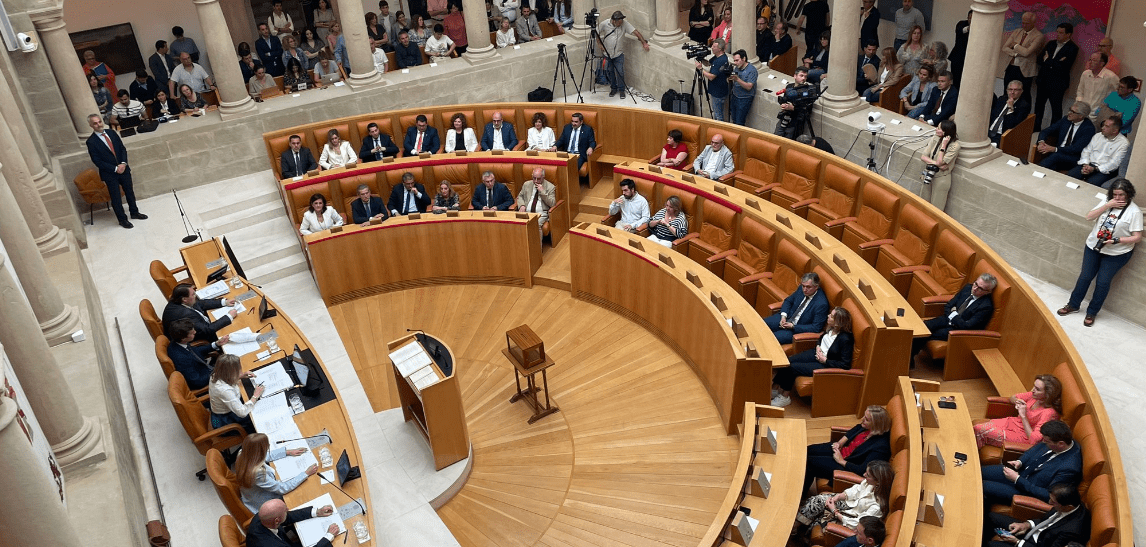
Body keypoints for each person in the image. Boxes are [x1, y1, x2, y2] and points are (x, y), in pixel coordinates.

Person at [1058, 179, 1141, 326]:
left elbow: (1137, 237)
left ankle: (1092, 313)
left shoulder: (1134, 212)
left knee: (1103, 282)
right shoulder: (1107, 201)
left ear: (1128, 194)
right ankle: (1073, 305)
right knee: (1085, 277)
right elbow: (1089, 217)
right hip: (1093, 247)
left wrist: (1117, 240)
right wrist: (1107, 205)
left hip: (1117, 253)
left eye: (1121, 195)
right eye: (1114, 194)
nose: (1117, 198)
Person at [981, 421, 1082, 506]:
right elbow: (1035, 449)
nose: (1043, 442)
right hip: (1019, 472)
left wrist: (1017, 479)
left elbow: (1049, 495)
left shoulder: (1069, 469)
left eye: (1046, 441)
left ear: (1061, 444)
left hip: (1025, 492)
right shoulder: (1060, 438)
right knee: (978, 473)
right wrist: (1020, 461)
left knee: (982, 486)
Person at [771, 306, 853, 407]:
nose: (828, 316)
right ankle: (776, 389)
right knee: (787, 361)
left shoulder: (845, 339)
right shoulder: (830, 328)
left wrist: (825, 360)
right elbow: (821, 338)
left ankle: (785, 397)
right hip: (816, 353)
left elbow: (845, 364)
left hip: (825, 364)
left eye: (831, 316)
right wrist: (818, 346)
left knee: (792, 368)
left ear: (837, 323)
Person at [911, 273, 996, 367]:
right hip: (947, 318)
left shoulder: (986, 306)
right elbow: (949, 305)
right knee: (923, 327)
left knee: (928, 334)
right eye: (976, 284)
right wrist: (954, 315)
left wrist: (954, 313)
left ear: (988, 292)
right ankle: (908, 357)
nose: (975, 288)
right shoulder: (968, 288)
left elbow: (967, 326)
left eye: (980, 288)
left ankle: (909, 361)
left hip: (957, 331)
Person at [794, 460, 892, 538]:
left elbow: (858, 523)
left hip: (851, 516)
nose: (864, 475)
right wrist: (838, 497)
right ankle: (797, 526)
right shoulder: (869, 483)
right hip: (850, 504)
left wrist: (834, 511)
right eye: (866, 472)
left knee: (819, 507)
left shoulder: (877, 507)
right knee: (818, 501)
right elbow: (856, 490)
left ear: (878, 482)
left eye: (868, 475)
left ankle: (797, 527)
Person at [804, 405, 892, 492]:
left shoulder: (881, 448)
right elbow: (855, 429)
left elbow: (862, 470)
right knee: (807, 450)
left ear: (876, 424)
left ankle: (801, 493)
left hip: (847, 463)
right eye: (864, 416)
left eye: (867, 419)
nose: (862, 419)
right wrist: (840, 443)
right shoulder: (867, 427)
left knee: (810, 462)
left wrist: (841, 461)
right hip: (841, 450)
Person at [85, 113, 146, 229]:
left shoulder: (112, 133)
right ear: (91, 125)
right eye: (95, 123)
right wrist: (115, 168)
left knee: (130, 192)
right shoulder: (91, 142)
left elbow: (122, 149)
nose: (98, 125)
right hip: (110, 174)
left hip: (124, 169)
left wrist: (123, 163)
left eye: (99, 122)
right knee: (116, 197)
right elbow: (97, 161)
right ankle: (122, 220)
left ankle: (134, 212)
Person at [982, 483, 1089, 547]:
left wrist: (1017, 542)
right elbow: (1046, 522)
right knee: (991, 517)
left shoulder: (1072, 532)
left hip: (1033, 544)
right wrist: (1026, 525)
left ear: (1068, 507)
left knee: (989, 545)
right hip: (1031, 532)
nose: (1049, 503)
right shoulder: (1071, 504)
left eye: (1053, 502)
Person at [235, 433, 317, 513]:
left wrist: (287, 452)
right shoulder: (257, 473)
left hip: (253, 493)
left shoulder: (242, 453)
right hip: (264, 501)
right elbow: (282, 488)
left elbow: (264, 455)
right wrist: (305, 474)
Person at [975, 375, 1063, 449]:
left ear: (1048, 394)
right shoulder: (1034, 396)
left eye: (1037, 389)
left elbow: (1034, 440)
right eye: (1034, 386)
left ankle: (974, 461)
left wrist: (1023, 416)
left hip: (1022, 437)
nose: (1032, 390)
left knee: (979, 430)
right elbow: (1012, 397)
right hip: (1011, 423)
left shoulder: (1049, 413)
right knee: (976, 429)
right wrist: (1017, 401)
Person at [1034, 23, 1078, 131]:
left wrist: (1048, 60)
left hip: (1058, 83)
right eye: (1057, 32)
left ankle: (1053, 132)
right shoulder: (1051, 44)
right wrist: (1054, 62)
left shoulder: (1072, 48)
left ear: (1068, 34)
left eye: (1061, 33)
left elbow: (1064, 66)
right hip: (1043, 80)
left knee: (1056, 110)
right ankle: (1035, 128)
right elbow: (1039, 60)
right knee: (1038, 107)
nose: (1058, 35)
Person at [764, 272, 830, 345]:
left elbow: (816, 328)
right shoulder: (801, 289)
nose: (804, 290)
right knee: (762, 324)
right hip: (786, 318)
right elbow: (788, 301)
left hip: (796, 329)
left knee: (770, 338)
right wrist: (783, 316)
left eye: (808, 287)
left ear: (816, 287)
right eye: (803, 286)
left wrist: (793, 326)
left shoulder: (821, 304)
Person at [596, 11, 650, 99]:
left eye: (621, 22)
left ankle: (621, 90)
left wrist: (643, 43)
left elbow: (635, 32)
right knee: (610, 72)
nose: (621, 25)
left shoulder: (624, 24)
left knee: (620, 72)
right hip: (607, 54)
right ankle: (613, 88)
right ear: (614, 21)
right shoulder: (604, 24)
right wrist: (599, 44)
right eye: (619, 23)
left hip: (618, 54)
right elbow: (596, 32)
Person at [247, 499, 339, 547]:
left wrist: (317, 512)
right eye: (285, 510)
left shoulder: (261, 517)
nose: (288, 510)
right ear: (276, 521)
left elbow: (287, 517)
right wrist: (328, 536)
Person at [162, 282, 237, 342]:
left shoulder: (177, 301)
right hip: (196, 337)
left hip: (201, 325)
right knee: (234, 328)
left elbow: (200, 303)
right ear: (184, 299)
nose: (195, 295)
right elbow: (208, 330)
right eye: (193, 294)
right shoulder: (186, 314)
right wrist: (229, 316)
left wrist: (224, 302)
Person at [166, 318, 228, 391]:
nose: (195, 332)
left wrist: (216, 344)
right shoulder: (181, 359)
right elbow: (197, 381)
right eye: (192, 333)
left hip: (205, 369)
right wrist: (218, 372)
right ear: (183, 338)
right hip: (207, 378)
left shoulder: (177, 342)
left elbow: (195, 351)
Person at [1068, 116, 1128, 188]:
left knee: (1091, 185)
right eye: (1103, 125)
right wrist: (1085, 164)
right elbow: (1086, 151)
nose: (1102, 128)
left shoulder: (1123, 143)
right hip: (1089, 164)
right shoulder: (1097, 136)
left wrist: (1095, 169)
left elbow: (1114, 163)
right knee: (1070, 176)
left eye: (1107, 126)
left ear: (1115, 131)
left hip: (1104, 170)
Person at [208, 354, 261, 433]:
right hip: (222, 421)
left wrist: (239, 376)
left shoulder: (216, 374)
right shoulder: (224, 391)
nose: (241, 370)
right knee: (257, 415)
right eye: (238, 370)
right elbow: (242, 413)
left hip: (222, 410)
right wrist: (255, 396)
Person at [1036, 102, 1096, 172]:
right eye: (1070, 110)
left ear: (1081, 116)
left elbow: (1076, 148)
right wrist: (1041, 142)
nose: (1069, 113)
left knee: (1055, 157)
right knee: (1050, 166)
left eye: (1073, 112)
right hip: (1058, 154)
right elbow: (1046, 131)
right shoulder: (1066, 120)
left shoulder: (1089, 128)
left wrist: (1055, 149)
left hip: (1073, 157)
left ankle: (1036, 171)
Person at [1002, 12, 1045, 102]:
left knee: (1024, 94)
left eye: (1027, 23)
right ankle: (1005, 111)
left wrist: (1015, 46)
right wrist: (1016, 53)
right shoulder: (1017, 31)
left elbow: (1027, 52)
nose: (1024, 25)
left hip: (1025, 69)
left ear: (1033, 23)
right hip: (1011, 66)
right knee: (1007, 91)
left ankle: (1022, 115)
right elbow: (1005, 47)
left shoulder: (1038, 35)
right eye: (1023, 22)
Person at [918, 119, 960, 210]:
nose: (936, 130)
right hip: (929, 172)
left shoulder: (955, 146)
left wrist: (943, 146)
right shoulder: (935, 137)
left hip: (941, 178)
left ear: (946, 131)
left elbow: (940, 162)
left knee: (936, 208)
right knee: (922, 203)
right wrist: (936, 163)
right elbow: (923, 156)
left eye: (939, 128)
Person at [1075, 53, 1118, 126]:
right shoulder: (1085, 74)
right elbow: (1080, 91)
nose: (1090, 62)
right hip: (1082, 112)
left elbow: (1117, 94)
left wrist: (1105, 108)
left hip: (1097, 115)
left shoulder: (1111, 77)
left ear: (1102, 63)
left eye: (1094, 60)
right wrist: (1079, 106)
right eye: (1090, 60)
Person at [517, 167, 557, 241]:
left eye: (538, 179)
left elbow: (552, 204)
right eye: (534, 178)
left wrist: (543, 192)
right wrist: (522, 205)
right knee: (518, 223)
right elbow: (520, 196)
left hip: (541, 214)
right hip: (527, 212)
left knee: (536, 224)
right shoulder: (527, 184)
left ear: (543, 177)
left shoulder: (550, 187)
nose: (535, 181)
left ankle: (537, 250)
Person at [696, 38, 730, 122]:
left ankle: (719, 131)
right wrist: (700, 57)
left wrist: (701, 69)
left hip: (718, 92)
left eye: (714, 46)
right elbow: (709, 64)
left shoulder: (721, 60)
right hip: (716, 90)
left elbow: (711, 76)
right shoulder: (717, 57)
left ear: (720, 49)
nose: (712, 47)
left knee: (718, 114)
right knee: (716, 112)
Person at [775, 66, 815, 138]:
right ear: (795, 76)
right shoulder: (789, 86)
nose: (803, 78)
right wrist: (784, 104)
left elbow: (808, 110)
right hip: (784, 118)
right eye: (801, 76)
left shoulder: (808, 91)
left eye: (805, 76)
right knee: (776, 137)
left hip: (795, 122)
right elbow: (785, 99)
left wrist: (793, 108)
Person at [988, 80, 1031, 145]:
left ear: (1021, 91)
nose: (1012, 92)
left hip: (1002, 135)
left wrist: (1011, 108)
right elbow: (992, 115)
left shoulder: (1024, 106)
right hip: (989, 131)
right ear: (1007, 90)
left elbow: (1012, 125)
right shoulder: (1002, 99)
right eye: (1010, 89)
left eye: (1016, 90)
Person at [729, 49, 758, 126]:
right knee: (734, 119)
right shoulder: (737, 68)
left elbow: (749, 87)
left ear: (744, 59)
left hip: (744, 99)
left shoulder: (752, 70)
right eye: (734, 61)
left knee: (739, 122)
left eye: (737, 60)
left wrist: (737, 79)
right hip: (735, 96)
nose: (735, 63)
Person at [949, 11, 971, 86]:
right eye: (970, 18)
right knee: (955, 80)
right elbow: (960, 30)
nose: (972, 20)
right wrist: (969, 28)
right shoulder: (961, 24)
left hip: (969, 60)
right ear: (967, 18)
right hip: (957, 58)